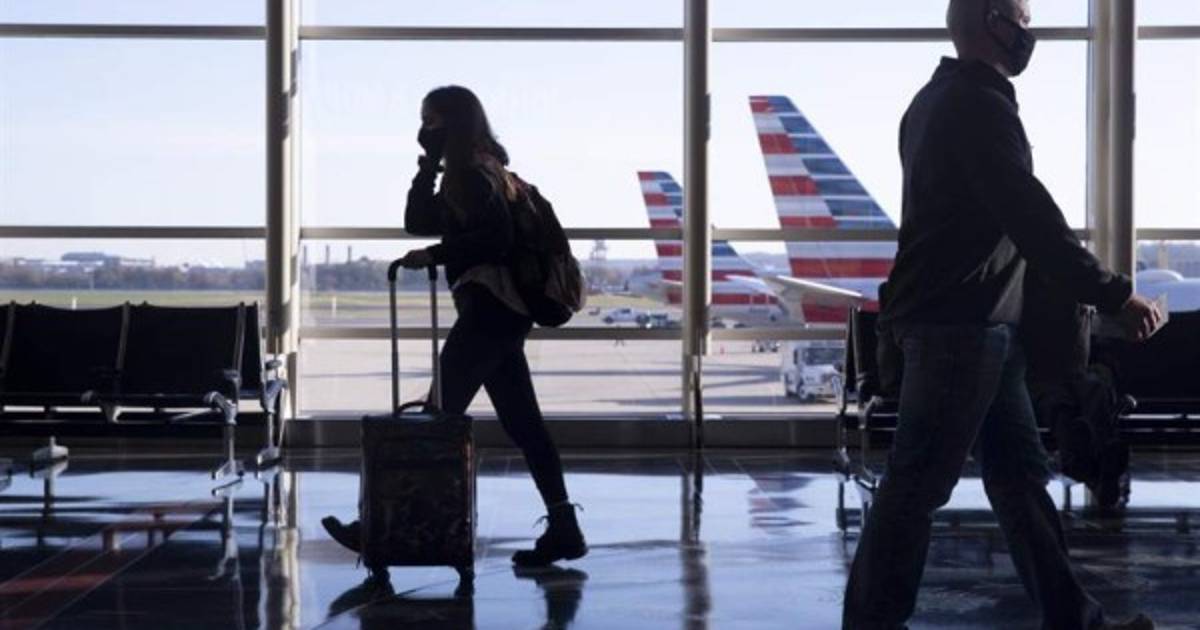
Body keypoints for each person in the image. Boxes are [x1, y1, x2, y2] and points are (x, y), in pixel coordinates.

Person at [841, 1, 1161, 629]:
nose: (1029, 33)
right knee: (916, 489)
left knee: (1019, 481)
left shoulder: (931, 102)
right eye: (1022, 18)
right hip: (961, 329)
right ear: (991, 21)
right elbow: (1032, 218)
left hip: (978, 328)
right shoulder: (977, 107)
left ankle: (1076, 621)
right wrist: (1114, 294)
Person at [323, 85, 587, 568]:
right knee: (523, 423)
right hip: (505, 313)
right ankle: (564, 525)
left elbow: (495, 238)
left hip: (489, 310)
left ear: (452, 122)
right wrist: (428, 164)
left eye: (431, 120)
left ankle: (381, 525)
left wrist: (436, 254)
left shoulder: (471, 174)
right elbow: (417, 219)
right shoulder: (490, 170)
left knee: (434, 419)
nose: (423, 128)